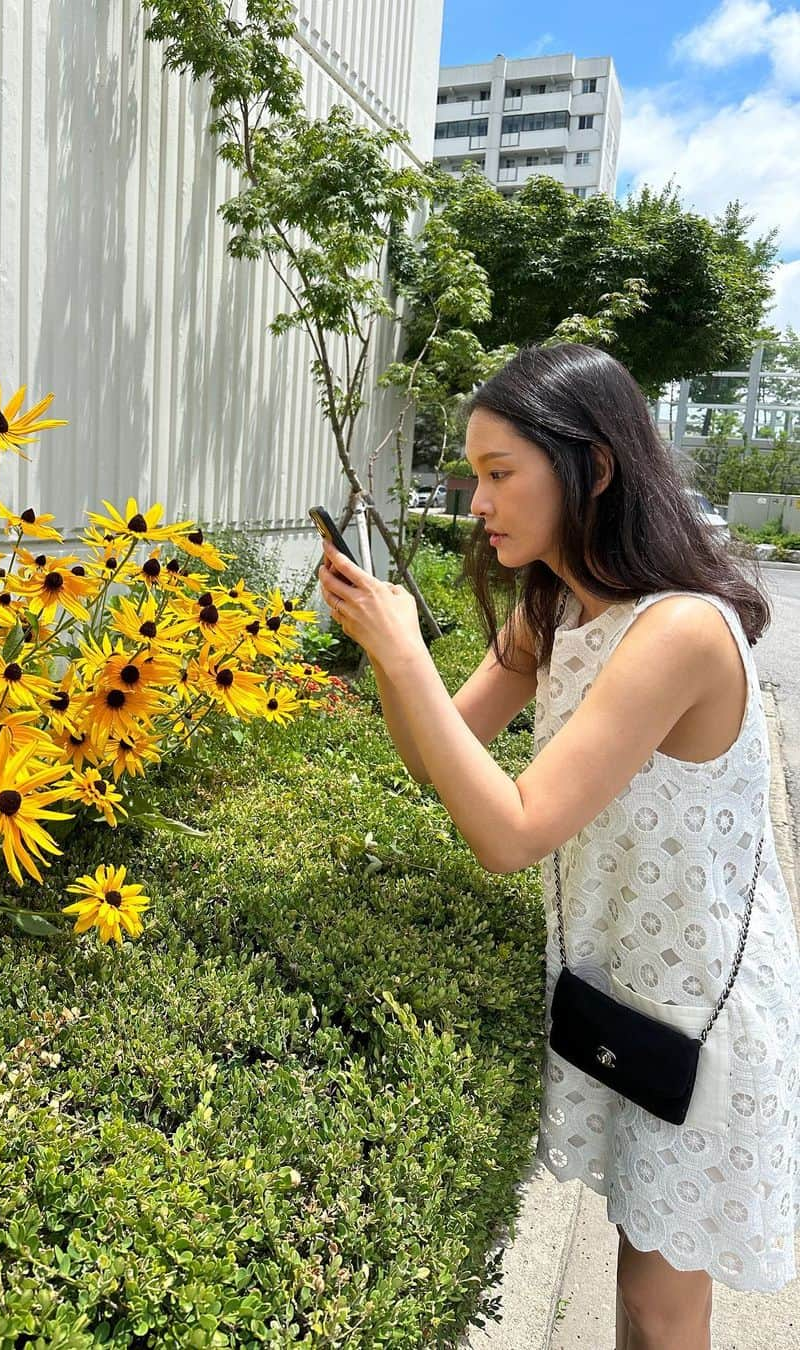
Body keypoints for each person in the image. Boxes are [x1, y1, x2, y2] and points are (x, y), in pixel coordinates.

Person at [318, 343, 799, 1349]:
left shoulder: (676, 631)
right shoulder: (556, 608)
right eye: (473, 476)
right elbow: (441, 761)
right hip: (622, 988)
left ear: (594, 466)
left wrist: (409, 648)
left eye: (501, 474)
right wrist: (390, 658)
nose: (477, 501)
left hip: (701, 1010)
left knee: (662, 1312)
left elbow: (512, 830)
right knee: (637, 1288)